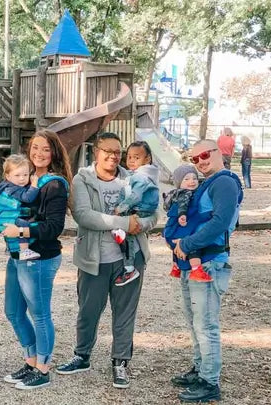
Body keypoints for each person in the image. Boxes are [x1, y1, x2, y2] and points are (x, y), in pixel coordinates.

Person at [56, 132, 158, 389]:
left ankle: (120, 361)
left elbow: (153, 213)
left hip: (130, 258)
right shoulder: (83, 179)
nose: (113, 156)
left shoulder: (133, 177)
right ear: (96, 151)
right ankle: (82, 355)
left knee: (124, 312)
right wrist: (124, 222)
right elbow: (84, 215)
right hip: (94, 258)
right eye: (107, 151)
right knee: (89, 311)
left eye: (117, 152)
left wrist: (140, 224)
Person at [171, 139, 242, 402]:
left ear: (218, 153)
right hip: (193, 261)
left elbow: (220, 221)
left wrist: (187, 243)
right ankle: (201, 369)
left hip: (209, 262)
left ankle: (209, 382)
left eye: (204, 155)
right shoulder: (207, 184)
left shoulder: (224, 181)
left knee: (205, 324)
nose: (200, 161)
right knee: (195, 321)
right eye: (194, 159)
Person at [1, 129, 72, 390]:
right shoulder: (25, 178)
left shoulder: (54, 184)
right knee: (13, 311)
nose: (39, 153)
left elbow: (54, 227)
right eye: (35, 148)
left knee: (40, 314)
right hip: (18, 254)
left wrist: (20, 231)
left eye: (45, 149)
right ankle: (30, 360)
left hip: (41, 257)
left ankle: (43, 368)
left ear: (53, 152)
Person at [111, 141, 159, 286]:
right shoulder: (144, 175)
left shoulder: (140, 176)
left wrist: (120, 208)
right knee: (126, 234)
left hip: (140, 210)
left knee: (127, 234)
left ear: (147, 159)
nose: (131, 160)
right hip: (141, 210)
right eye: (129, 157)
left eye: (136, 157)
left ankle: (129, 267)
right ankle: (129, 266)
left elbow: (136, 196)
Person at [163, 165, 212, 282]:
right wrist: (210, 214)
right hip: (179, 227)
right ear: (179, 183)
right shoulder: (185, 194)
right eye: (186, 179)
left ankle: (176, 267)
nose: (192, 181)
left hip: (171, 231)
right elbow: (186, 208)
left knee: (177, 246)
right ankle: (196, 270)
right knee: (192, 245)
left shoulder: (175, 194)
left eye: (194, 178)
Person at [0, 154, 41, 260]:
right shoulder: (14, 189)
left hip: (0, 219)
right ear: (8, 176)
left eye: (25, 175)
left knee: (18, 231)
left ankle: (11, 249)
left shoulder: (5, 186)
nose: (22, 178)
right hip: (5, 220)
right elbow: (28, 198)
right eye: (17, 175)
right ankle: (25, 251)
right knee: (23, 224)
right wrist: (34, 185)